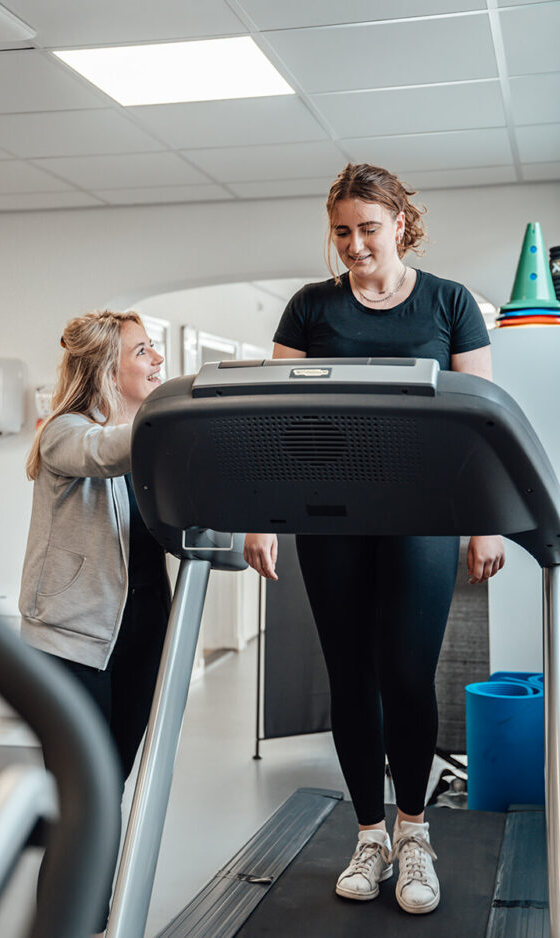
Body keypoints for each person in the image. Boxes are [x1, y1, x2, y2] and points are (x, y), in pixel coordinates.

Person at [244, 163, 505, 916]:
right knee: (349, 677)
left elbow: (477, 421)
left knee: (405, 673)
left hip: (420, 513)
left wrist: (481, 521)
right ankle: (368, 835)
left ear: (399, 223)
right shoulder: (308, 308)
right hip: (329, 515)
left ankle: (415, 831)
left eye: (366, 227)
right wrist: (263, 516)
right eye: (341, 231)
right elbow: (272, 421)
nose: (354, 244)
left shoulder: (449, 302)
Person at [19, 309, 168, 937]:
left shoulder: (143, 440)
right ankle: (68, 920)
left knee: (112, 783)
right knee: (88, 791)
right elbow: (102, 454)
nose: (156, 359)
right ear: (110, 368)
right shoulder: (65, 432)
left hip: (137, 638)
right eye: (143, 351)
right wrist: (171, 417)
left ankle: (94, 917)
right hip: (73, 642)